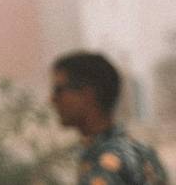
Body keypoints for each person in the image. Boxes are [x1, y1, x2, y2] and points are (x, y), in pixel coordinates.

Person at [51, 51, 169, 185]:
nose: (52, 99)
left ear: (86, 95)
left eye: (58, 90)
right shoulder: (141, 151)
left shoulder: (106, 161)